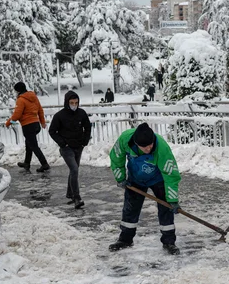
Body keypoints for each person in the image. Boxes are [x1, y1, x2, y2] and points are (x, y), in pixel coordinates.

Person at [108, 122, 182, 255]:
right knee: (130, 209)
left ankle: (169, 242)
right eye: (145, 147)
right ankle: (125, 240)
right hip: (135, 179)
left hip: (158, 179)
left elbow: (171, 174)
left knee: (166, 209)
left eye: (151, 145)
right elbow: (116, 157)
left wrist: (173, 199)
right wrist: (120, 178)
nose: (149, 148)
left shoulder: (161, 147)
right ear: (136, 144)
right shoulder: (125, 139)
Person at [48, 91, 91, 209]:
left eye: (76, 103)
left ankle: (70, 193)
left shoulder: (81, 113)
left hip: (79, 146)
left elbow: (87, 127)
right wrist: (63, 143)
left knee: (74, 170)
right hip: (66, 148)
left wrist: (85, 140)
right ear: (67, 102)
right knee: (74, 169)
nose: (74, 105)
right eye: (71, 103)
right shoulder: (59, 116)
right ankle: (77, 198)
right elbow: (52, 131)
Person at [6, 82, 50, 172]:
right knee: (29, 144)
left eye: (15, 91)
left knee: (33, 146)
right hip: (36, 124)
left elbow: (17, 115)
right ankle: (27, 163)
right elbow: (40, 110)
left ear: (18, 91)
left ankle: (44, 164)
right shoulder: (33, 97)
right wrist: (42, 122)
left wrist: (8, 123)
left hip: (28, 126)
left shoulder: (21, 100)